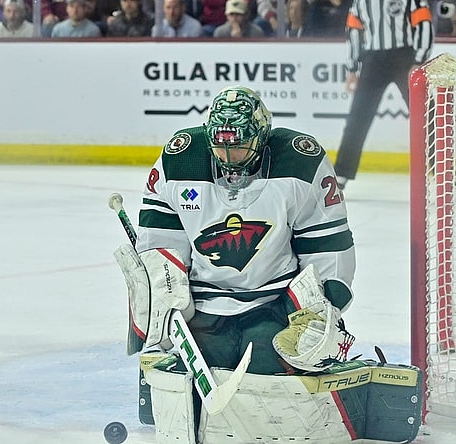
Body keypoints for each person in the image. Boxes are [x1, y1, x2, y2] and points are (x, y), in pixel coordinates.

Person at [116, 85, 357, 440]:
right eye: (221, 147)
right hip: (202, 306)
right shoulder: (180, 159)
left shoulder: (299, 161)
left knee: (267, 372)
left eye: (239, 146)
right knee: (191, 374)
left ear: (261, 138)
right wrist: (164, 302)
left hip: (274, 305)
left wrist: (322, 309)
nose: (228, 156)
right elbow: (161, 247)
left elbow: (327, 246)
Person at [333, 0, 433, 189]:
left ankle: (443, 165)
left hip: (404, 58)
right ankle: (342, 172)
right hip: (373, 60)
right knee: (358, 118)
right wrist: (353, 68)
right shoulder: (361, 2)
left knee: (425, 115)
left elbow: (423, 23)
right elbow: (354, 30)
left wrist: (419, 60)